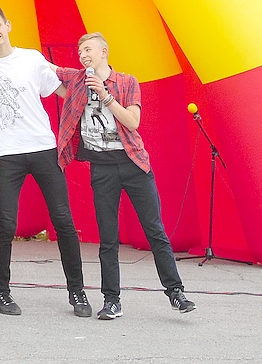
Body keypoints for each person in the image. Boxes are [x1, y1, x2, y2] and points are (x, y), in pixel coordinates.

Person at [0, 3, 91, 318]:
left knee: (64, 220)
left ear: (8, 25)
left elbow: (63, 91)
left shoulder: (31, 59)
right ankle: (0, 294)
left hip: (43, 148)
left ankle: (77, 292)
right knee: (5, 224)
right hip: (6, 154)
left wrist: (98, 92)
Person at [54, 32, 196, 319]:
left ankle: (176, 292)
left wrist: (105, 95)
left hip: (133, 164)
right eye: (80, 51)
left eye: (88, 50)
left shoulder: (126, 82)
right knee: (108, 238)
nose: (83, 55)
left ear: (103, 52)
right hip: (102, 168)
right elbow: (43, 67)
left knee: (155, 231)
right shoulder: (77, 80)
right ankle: (111, 300)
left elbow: (133, 121)